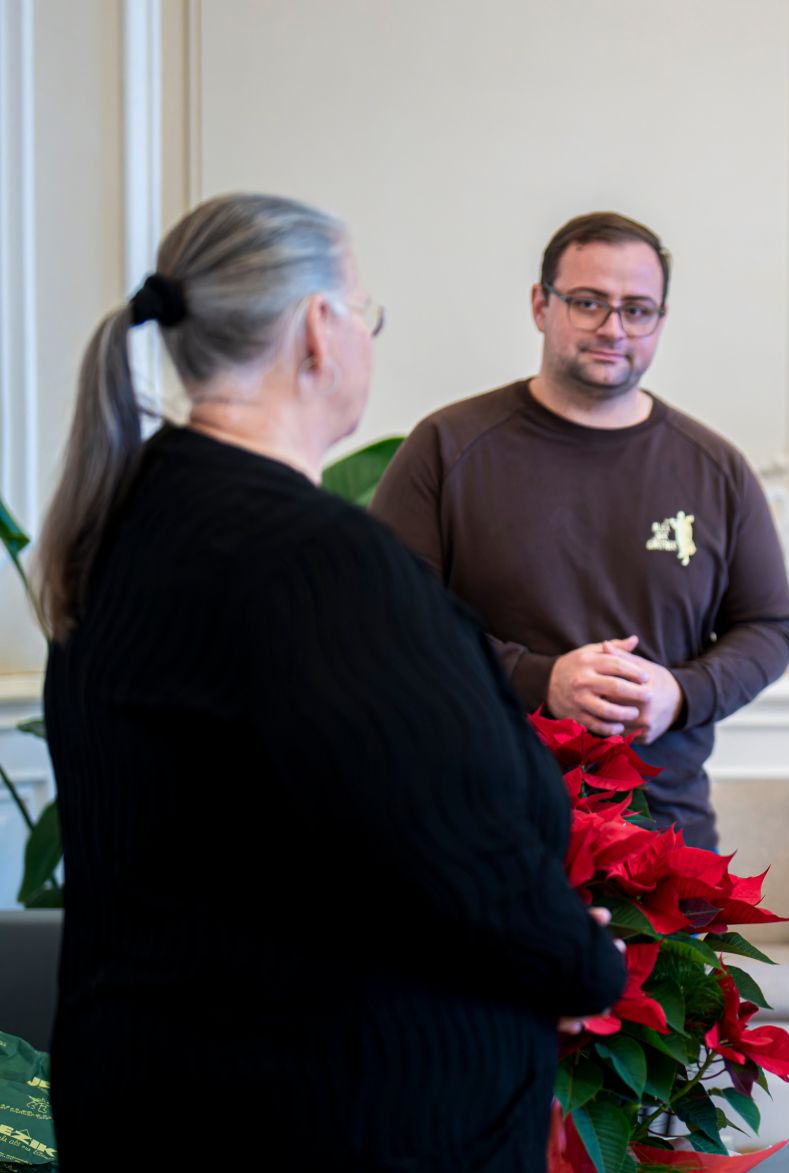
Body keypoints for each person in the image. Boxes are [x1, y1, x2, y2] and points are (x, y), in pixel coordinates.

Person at [36, 193, 627, 1171]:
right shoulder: (315, 562)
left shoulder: (122, 524)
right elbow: (447, 843)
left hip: (150, 1097)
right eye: (366, 313)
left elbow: (292, 841)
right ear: (319, 330)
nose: (366, 337)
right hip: (327, 1113)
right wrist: (574, 961)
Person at [371, 212, 789, 851]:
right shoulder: (448, 446)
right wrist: (540, 682)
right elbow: (388, 622)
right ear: (541, 305)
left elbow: (769, 626)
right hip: (482, 829)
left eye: (637, 309)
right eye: (588, 303)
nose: (612, 328)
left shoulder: (715, 468)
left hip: (664, 840)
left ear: (661, 319)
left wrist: (681, 692)